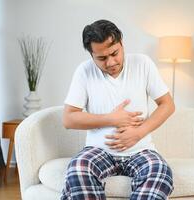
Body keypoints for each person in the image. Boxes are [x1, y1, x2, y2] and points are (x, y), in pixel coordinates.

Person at [61, 19, 175, 200]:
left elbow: (167, 104)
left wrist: (138, 133)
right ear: (91, 55)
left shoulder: (142, 64)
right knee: (78, 169)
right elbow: (69, 119)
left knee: (160, 172)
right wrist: (111, 119)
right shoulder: (84, 71)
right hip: (99, 151)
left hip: (141, 150)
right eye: (102, 58)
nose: (111, 62)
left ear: (121, 42)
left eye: (114, 53)